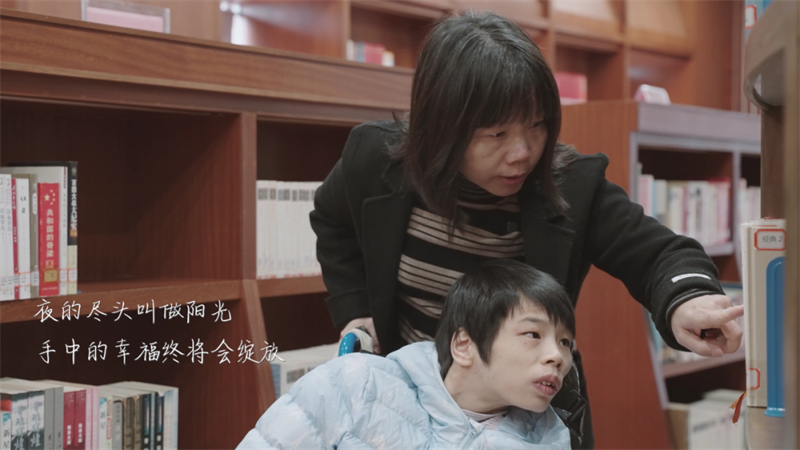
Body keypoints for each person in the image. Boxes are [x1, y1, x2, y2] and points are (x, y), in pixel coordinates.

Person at [309, 11, 744, 449]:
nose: (522, 152)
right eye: (497, 134)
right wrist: (354, 309)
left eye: (536, 125)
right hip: (409, 410)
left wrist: (688, 299)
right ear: (441, 127)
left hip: (532, 423)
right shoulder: (376, 160)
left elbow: (660, 253)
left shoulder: (573, 186)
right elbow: (331, 219)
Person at [238, 260, 575, 449]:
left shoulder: (549, 441)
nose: (557, 357)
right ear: (464, 345)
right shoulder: (356, 384)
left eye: (564, 342)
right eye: (533, 334)